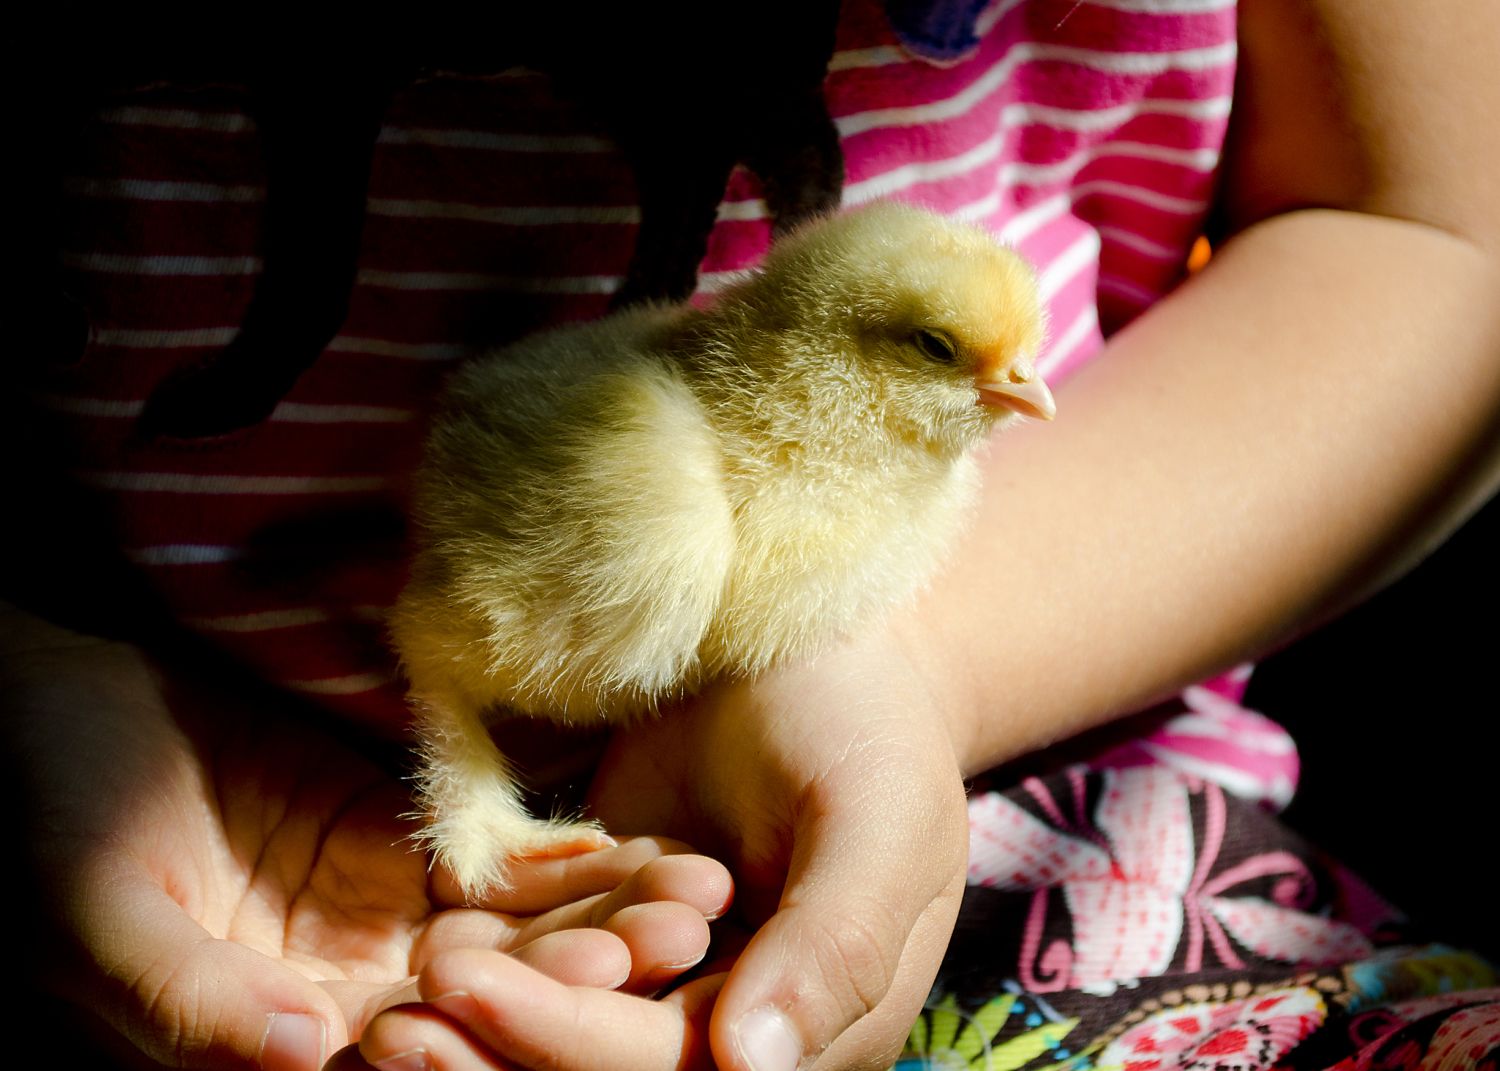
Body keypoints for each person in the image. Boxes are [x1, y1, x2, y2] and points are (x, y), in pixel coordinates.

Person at [11, 0, 1499, 1069]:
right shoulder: (657, 475)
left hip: (1056, 782)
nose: (1015, 387)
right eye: (948, 356)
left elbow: (1443, 231)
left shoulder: (921, 484)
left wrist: (918, 667)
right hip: (98, 793)